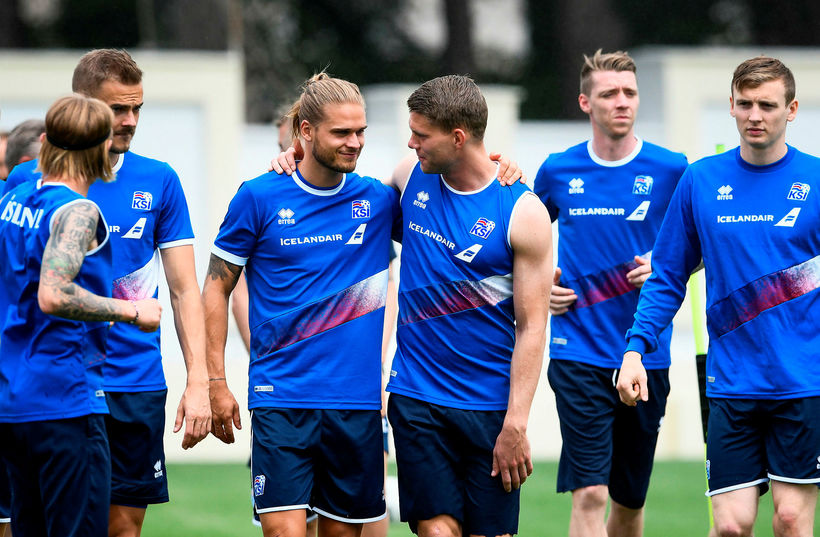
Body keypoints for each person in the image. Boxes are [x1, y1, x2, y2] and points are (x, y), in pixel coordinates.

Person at [2, 49, 211, 537]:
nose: (130, 121)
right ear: (86, 108)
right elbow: (47, 292)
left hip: (127, 383)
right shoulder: (41, 189)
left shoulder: (158, 179)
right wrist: (132, 311)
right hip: (65, 389)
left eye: (137, 108)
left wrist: (199, 381)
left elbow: (184, 289)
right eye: (118, 109)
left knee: (118, 528)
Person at [617, 56, 820, 537]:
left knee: (791, 520)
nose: (755, 115)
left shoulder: (815, 181)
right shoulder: (701, 181)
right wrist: (634, 349)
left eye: (767, 105)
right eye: (745, 104)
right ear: (731, 106)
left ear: (791, 110)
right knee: (731, 527)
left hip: (804, 382)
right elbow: (667, 275)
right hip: (731, 383)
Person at [204, 73, 398, 537]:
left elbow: (440, 186)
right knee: (285, 532)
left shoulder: (379, 201)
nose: (355, 143)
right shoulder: (258, 196)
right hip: (281, 400)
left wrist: (502, 168)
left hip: (357, 403)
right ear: (306, 132)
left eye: (361, 132)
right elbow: (215, 287)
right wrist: (214, 380)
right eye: (341, 133)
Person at [384, 75, 552, 537]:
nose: (411, 141)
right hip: (417, 396)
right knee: (438, 532)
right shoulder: (408, 176)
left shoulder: (522, 211)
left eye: (421, 134)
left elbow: (533, 327)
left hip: (490, 409)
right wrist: (290, 161)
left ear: (458, 138)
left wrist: (516, 423)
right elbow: (344, 202)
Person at [532, 50, 688, 537]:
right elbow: (522, 244)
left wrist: (666, 270)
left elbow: (702, 248)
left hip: (646, 355)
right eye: (609, 94)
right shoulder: (558, 170)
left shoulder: (673, 169)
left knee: (628, 502)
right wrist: (542, 290)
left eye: (630, 93)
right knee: (591, 493)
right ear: (585, 102)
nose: (622, 102)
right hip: (576, 350)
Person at [0, 94, 162, 537]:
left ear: (48, 140)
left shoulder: (12, 201)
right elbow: (53, 295)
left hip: (14, 405)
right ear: (102, 148)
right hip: (65, 400)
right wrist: (131, 310)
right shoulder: (78, 211)